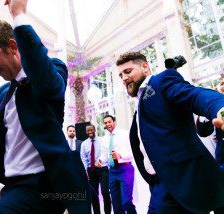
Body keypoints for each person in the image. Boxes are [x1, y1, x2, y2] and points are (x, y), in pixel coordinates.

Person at [0, 0, 90, 213]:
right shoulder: (0, 94)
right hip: (14, 188)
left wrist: (19, 15)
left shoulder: (50, 72)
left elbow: (45, 79)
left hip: (50, 186)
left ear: (12, 46)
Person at [117, 51, 224, 213]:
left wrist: (220, 107)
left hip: (181, 180)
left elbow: (195, 95)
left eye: (128, 71)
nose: (124, 78)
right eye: (120, 75)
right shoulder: (140, 104)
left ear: (145, 66)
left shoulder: (162, 81)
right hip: (158, 184)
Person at [97, 115, 136, 214]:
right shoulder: (104, 138)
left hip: (125, 169)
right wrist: (100, 160)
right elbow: (104, 155)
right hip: (112, 172)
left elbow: (133, 152)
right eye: (105, 123)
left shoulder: (124, 134)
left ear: (114, 122)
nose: (107, 124)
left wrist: (120, 155)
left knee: (126, 202)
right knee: (116, 204)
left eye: (109, 122)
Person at [80, 124, 111, 214]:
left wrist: (102, 162)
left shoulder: (101, 141)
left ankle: (108, 212)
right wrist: (86, 171)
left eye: (91, 130)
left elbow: (105, 153)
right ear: (86, 132)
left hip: (102, 169)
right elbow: (83, 159)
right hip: (91, 170)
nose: (90, 132)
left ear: (94, 130)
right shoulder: (84, 144)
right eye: (88, 130)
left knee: (105, 192)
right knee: (94, 194)